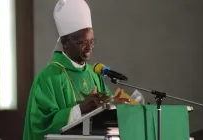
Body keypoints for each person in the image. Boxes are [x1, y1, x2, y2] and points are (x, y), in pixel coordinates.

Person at [23, 0, 129, 140]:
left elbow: (107, 119)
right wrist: (81, 109)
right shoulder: (48, 77)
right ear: (65, 43)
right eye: (82, 42)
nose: (90, 47)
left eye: (91, 41)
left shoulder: (94, 74)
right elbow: (41, 125)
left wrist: (115, 105)